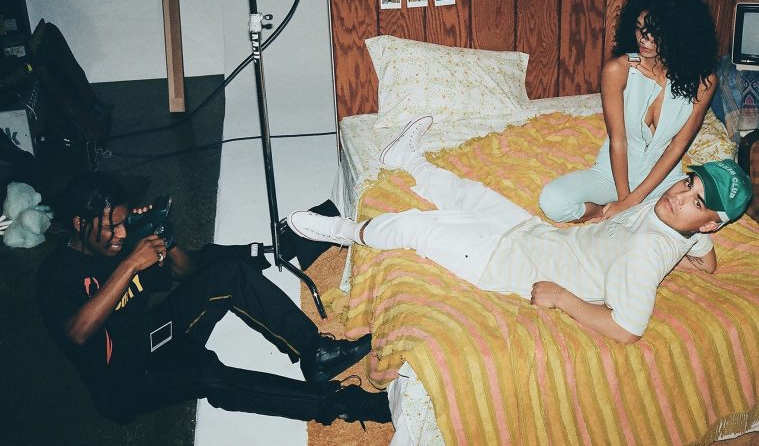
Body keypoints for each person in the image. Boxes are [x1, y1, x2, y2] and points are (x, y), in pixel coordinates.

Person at [287, 116, 752, 344]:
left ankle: (345, 231)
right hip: (535, 234)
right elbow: (707, 262)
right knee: (466, 192)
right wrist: (697, 244)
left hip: (506, 263)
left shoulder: (645, 255)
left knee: (416, 227)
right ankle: (406, 159)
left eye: (697, 202)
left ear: (711, 219)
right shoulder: (684, 223)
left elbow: (628, 329)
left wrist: (562, 298)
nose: (679, 196)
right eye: (689, 184)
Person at [36, 172, 390, 425]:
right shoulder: (56, 275)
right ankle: (342, 404)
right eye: (110, 226)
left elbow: (186, 273)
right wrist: (130, 264)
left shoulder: (121, 241)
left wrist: (166, 239)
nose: (120, 233)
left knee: (228, 271)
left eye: (123, 222)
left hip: (154, 332)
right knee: (211, 376)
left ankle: (315, 352)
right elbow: (77, 332)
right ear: (80, 224)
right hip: (126, 381)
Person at [539, 0, 719, 223]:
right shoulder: (619, 70)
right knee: (553, 200)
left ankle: (637, 213)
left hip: (662, 180)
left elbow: (677, 147)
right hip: (613, 175)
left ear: (680, 35)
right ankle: (599, 212)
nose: (643, 39)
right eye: (639, 28)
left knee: (705, 220)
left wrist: (632, 202)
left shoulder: (704, 82)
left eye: (654, 33)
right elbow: (618, 140)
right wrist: (624, 201)